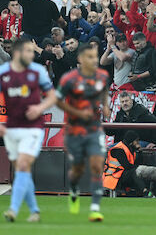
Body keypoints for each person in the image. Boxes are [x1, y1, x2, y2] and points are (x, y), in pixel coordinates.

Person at [0, 38, 58, 223]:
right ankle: (34, 210)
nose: (32, 54)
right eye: (28, 51)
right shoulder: (2, 73)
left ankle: (13, 209)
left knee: (21, 166)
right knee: (22, 170)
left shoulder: (37, 72)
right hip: (12, 127)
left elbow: (52, 96)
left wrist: (39, 108)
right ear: (18, 53)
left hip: (33, 127)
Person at [57, 43, 111, 222]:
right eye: (90, 57)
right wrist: (79, 112)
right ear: (80, 59)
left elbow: (104, 92)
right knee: (78, 170)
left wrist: (106, 106)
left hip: (94, 129)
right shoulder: (69, 79)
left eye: (95, 57)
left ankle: (95, 209)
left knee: (97, 166)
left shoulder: (102, 76)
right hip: (74, 130)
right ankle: (73, 189)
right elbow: (57, 100)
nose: (94, 60)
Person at [103, 131, 156, 196]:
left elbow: (138, 163)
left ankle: (147, 191)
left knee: (137, 173)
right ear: (131, 141)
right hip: (114, 177)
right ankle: (145, 192)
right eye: (136, 141)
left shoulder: (131, 150)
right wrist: (140, 169)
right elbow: (127, 166)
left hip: (123, 175)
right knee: (134, 172)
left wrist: (139, 151)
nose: (138, 143)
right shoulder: (118, 149)